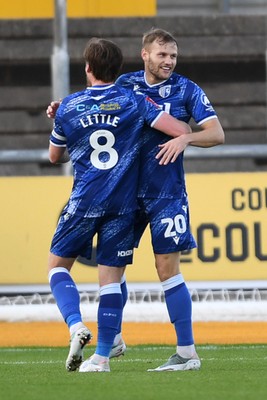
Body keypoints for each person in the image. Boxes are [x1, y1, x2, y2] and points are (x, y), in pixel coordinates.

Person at [47, 29, 225, 372]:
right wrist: (63, 108)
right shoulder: (127, 86)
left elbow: (217, 133)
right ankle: (110, 342)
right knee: (113, 269)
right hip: (127, 194)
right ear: (145, 55)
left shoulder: (188, 89)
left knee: (165, 269)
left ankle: (186, 352)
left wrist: (185, 139)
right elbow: (94, 102)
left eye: (173, 56)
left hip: (165, 193)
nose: (169, 62)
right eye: (162, 55)